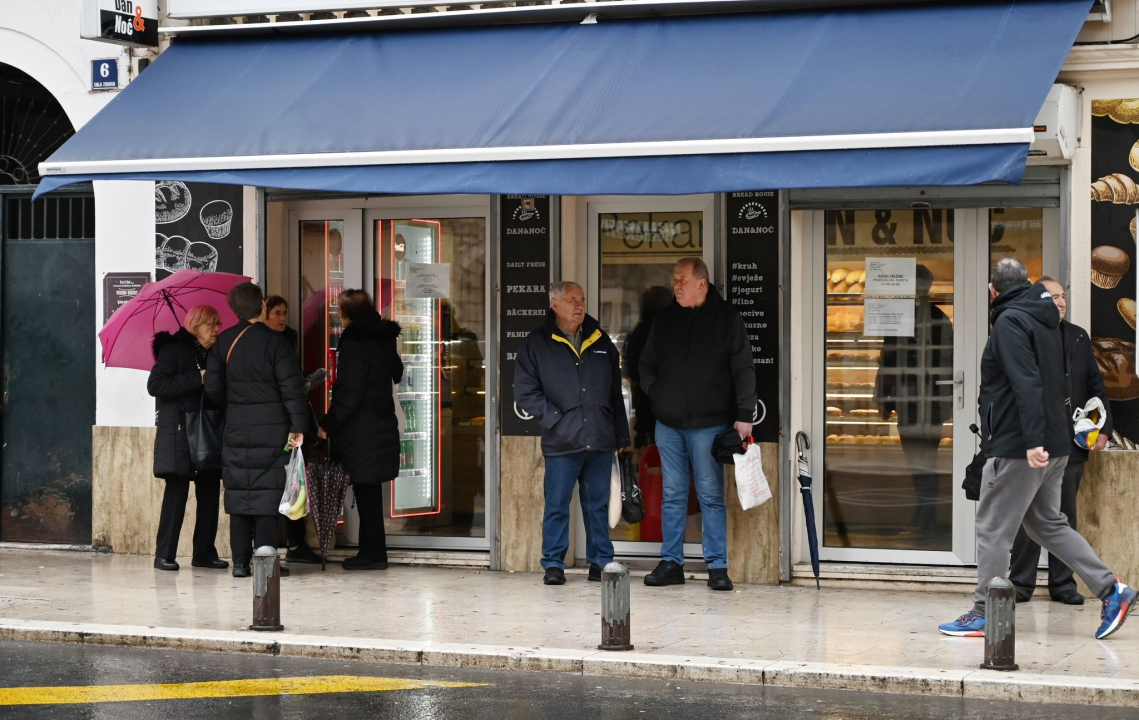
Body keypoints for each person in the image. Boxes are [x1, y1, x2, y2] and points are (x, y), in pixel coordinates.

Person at [939, 259, 1135, 640]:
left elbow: (1026, 384)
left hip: (1022, 446)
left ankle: (984, 612)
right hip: (1055, 441)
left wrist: (1031, 443)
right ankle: (1113, 591)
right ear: (1027, 284)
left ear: (993, 291)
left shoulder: (1011, 322)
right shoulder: (1047, 322)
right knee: (1048, 524)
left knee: (992, 529)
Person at [638, 258, 756, 591]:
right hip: (669, 424)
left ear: (701, 283)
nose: (676, 285)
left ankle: (717, 567)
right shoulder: (664, 320)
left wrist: (745, 414)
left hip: (708, 424)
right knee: (673, 496)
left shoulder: (726, 318)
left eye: (682, 280)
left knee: (710, 495)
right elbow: (646, 362)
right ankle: (671, 563)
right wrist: (657, 393)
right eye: (674, 280)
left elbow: (743, 369)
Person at [514, 281, 630, 586]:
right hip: (562, 440)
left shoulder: (601, 340)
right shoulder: (537, 343)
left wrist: (621, 436)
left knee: (597, 505)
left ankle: (600, 561)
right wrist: (556, 419)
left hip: (600, 437)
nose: (579, 305)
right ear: (555, 304)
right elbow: (525, 392)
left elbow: (614, 392)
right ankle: (554, 563)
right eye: (571, 300)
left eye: (581, 300)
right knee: (557, 504)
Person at [1009, 277, 1112, 606]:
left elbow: (1096, 385)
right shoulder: (1028, 333)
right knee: (1029, 514)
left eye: (1063, 296)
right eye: (1053, 296)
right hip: (1035, 441)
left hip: (1072, 443)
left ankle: (1063, 584)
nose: (1061, 302)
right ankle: (1020, 583)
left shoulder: (1078, 336)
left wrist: (1103, 427)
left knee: (1063, 516)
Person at [205, 282, 308, 579]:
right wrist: (298, 426)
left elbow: (213, 389)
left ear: (234, 309)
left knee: (240, 494)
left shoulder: (222, 343)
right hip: (273, 429)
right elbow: (292, 390)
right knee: (266, 495)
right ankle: (265, 564)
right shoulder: (276, 343)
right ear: (262, 306)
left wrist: (236, 405)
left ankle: (239, 563)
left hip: (236, 426)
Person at [317, 289, 403, 571]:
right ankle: (372, 550)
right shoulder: (384, 337)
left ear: (346, 315)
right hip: (380, 421)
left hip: (361, 429)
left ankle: (374, 553)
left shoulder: (354, 342)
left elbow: (349, 392)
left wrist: (329, 424)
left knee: (366, 491)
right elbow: (397, 372)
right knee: (370, 490)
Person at [146, 305, 228, 572]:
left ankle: (204, 553)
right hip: (180, 434)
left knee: (209, 493)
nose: (216, 329)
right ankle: (164, 554)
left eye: (218, 324)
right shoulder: (175, 350)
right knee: (177, 493)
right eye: (211, 324)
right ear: (196, 325)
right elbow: (155, 386)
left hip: (207, 430)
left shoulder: (214, 354)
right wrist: (198, 378)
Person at [875, 265, 954, 539]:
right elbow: (887, 358)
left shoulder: (931, 318)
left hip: (920, 402)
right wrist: (883, 397)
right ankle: (924, 514)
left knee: (924, 462)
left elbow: (887, 359)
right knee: (920, 461)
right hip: (913, 402)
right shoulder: (937, 317)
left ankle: (926, 515)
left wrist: (883, 397)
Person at [624, 286, 674, 450]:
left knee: (651, 454)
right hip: (671, 402)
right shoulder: (672, 328)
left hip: (646, 398)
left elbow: (631, 369)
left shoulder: (639, 331)